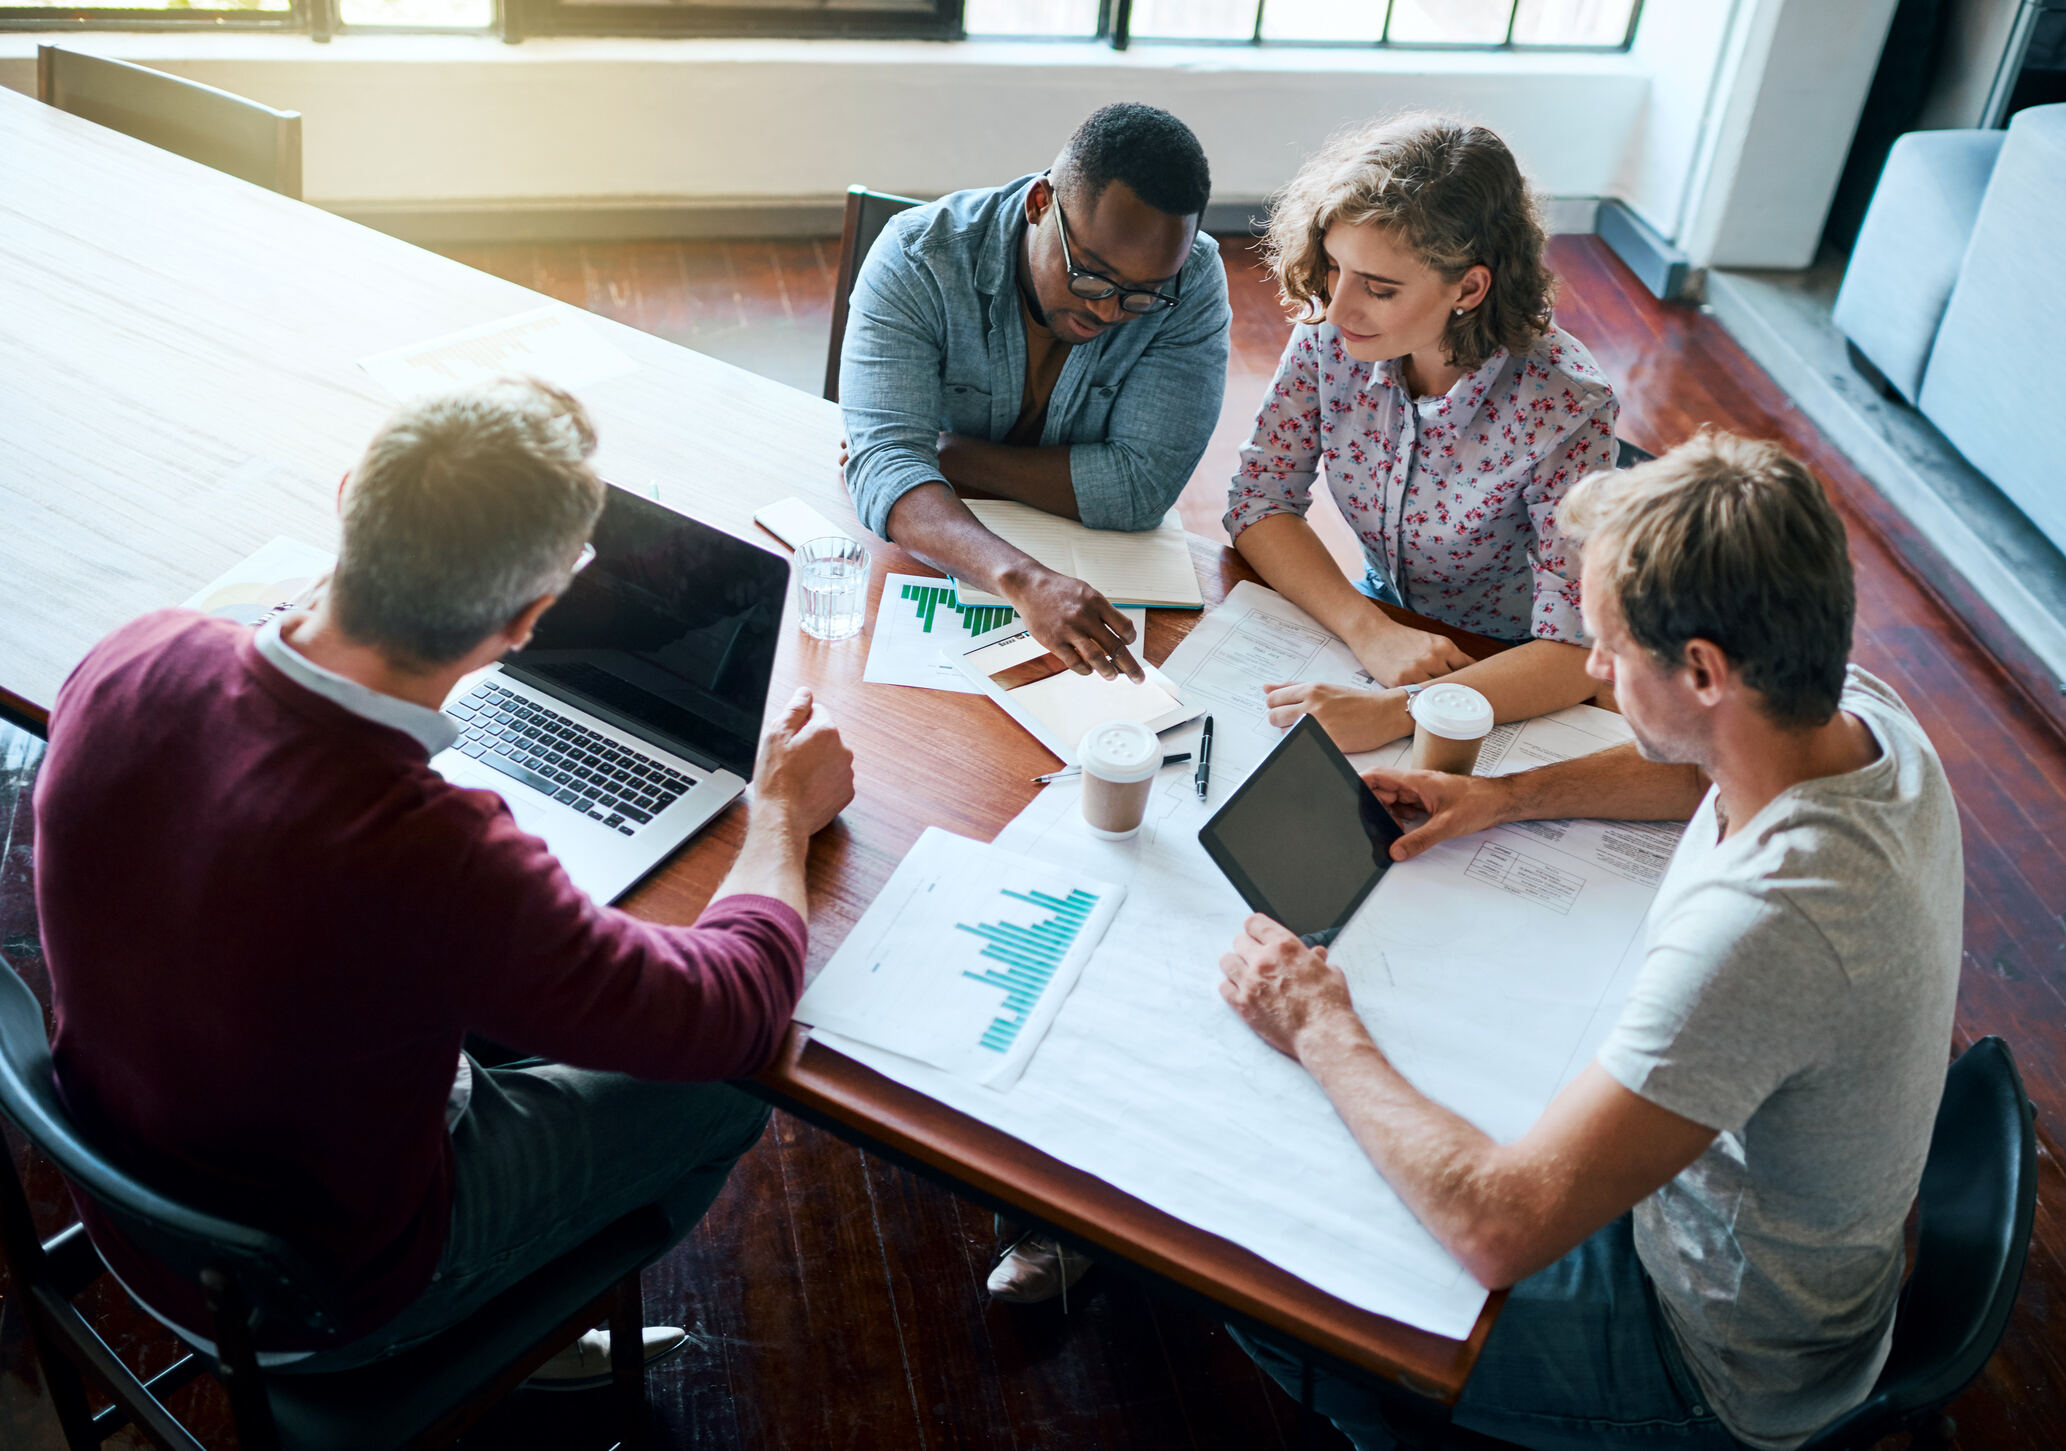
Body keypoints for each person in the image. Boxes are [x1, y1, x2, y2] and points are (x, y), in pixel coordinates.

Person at [33, 378, 856, 1382]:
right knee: (727, 1088)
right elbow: (730, 1009)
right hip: (314, 1300)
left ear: (346, 498)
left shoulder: (137, 652)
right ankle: (497, 1316)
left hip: (130, 1216)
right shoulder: (431, 853)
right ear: (532, 617)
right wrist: (777, 814)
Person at [1217, 432, 1961, 1450]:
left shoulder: (1774, 924)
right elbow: (1701, 767)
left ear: (1701, 669)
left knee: (1257, 1261)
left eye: (1608, 646)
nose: (1593, 668)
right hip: (1772, 1233)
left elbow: (1497, 1224)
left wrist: (1314, 1020)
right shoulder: (1850, 712)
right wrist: (1501, 796)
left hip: (1707, 1359)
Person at [1228, 114, 1619, 752]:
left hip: (1510, 665)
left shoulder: (1567, 405)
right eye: (1334, 266)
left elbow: (1573, 647)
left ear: (1469, 286)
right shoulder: (1330, 335)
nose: (1339, 305)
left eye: (1379, 289)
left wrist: (1404, 710)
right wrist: (1368, 629)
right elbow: (1258, 501)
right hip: (1384, 622)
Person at [840, 101, 1232, 687]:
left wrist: (943, 455)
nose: (1107, 309)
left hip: (1067, 564)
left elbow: (1140, 488)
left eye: (1141, 294)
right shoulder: (917, 258)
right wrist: (1024, 580)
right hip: (919, 575)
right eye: (1091, 273)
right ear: (1040, 203)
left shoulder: (1191, 281)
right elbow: (886, 473)